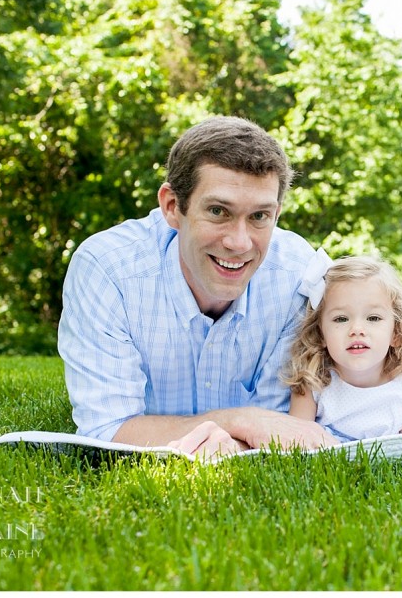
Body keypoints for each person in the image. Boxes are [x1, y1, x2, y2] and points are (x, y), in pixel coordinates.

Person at [59, 116, 338, 458]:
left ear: (277, 214)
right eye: (219, 211)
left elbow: (279, 426)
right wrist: (241, 420)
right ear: (173, 207)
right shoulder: (108, 270)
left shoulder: (298, 275)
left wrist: (241, 434)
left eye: (259, 217)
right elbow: (108, 430)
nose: (239, 242)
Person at [284, 256, 402, 442]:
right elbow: (295, 446)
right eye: (341, 319)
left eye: (373, 318)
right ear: (320, 335)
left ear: (396, 333)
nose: (357, 330)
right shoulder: (312, 384)